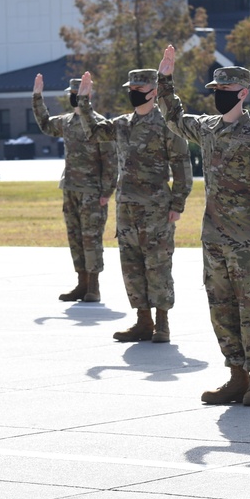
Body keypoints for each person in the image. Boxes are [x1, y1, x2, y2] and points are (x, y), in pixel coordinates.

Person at [155, 46, 250, 406]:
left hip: (248, 243)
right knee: (221, 310)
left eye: (226, 92)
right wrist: (164, 80)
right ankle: (237, 377)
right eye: (216, 92)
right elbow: (174, 117)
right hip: (214, 240)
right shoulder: (208, 129)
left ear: (243, 93)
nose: (219, 97)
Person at [76, 69, 193, 343]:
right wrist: (84, 102)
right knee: (131, 266)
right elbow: (93, 132)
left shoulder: (167, 125)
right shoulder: (122, 124)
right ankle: (143, 321)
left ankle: (162, 324)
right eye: (131, 88)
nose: (133, 93)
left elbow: (182, 167)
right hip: (126, 209)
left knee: (158, 265)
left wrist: (178, 203)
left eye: (139, 89)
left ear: (153, 92)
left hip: (156, 209)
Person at [32, 75, 117, 303]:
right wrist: (37, 97)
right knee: (75, 238)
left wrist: (107, 191)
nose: (72, 98)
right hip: (70, 187)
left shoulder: (99, 124)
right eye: (71, 94)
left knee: (91, 239)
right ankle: (81, 283)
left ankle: (94, 286)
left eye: (77, 94)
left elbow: (111, 161)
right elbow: (46, 125)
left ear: (88, 96)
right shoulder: (67, 122)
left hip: (92, 192)